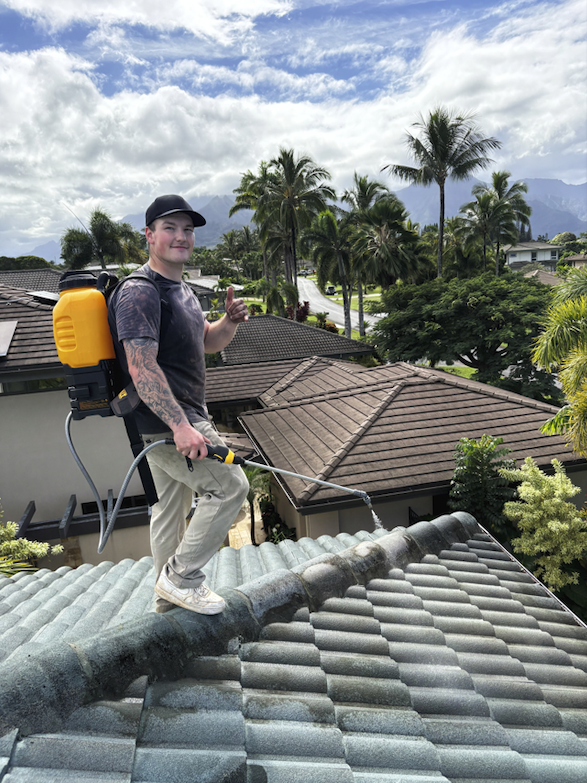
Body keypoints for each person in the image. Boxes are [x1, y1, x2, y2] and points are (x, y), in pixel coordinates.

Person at [108, 194, 249, 615]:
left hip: (174, 421)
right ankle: (181, 578)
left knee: (169, 510)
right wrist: (181, 427)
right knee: (230, 487)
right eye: (170, 228)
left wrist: (229, 322)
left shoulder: (181, 289)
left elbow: (207, 342)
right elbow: (141, 366)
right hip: (169, 422)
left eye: (187, 229)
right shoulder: (140, 291)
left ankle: (165, 604)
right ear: (149, 236)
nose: (181, 236)